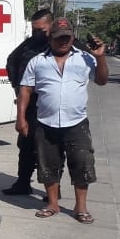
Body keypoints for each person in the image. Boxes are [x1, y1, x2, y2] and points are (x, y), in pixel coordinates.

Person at [17, 17, 108, 223]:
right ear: (50, 39)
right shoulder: (38, 61)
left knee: (82, 164)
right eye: (59, 38)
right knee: (48, 165)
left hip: (76, 123)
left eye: (67, 38)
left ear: (73, 37)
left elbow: (102, 80)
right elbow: (26, 90)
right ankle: (52, 204)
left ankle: (80, 207)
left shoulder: (85, 58)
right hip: (45, 123)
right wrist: (21, 118)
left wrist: (100, 58)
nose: (63, 42)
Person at [3, 8, 53, 196]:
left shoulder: (61, 43)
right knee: (26, 145)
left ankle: (52, 189)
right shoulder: (29, 45)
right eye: (35, 30)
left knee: (50, 150)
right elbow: (11, 62)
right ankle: (23, 182)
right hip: (30, 106)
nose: (38, 34)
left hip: (51, 107)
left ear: (52, 25)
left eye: (42, 30)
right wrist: (19, 87)